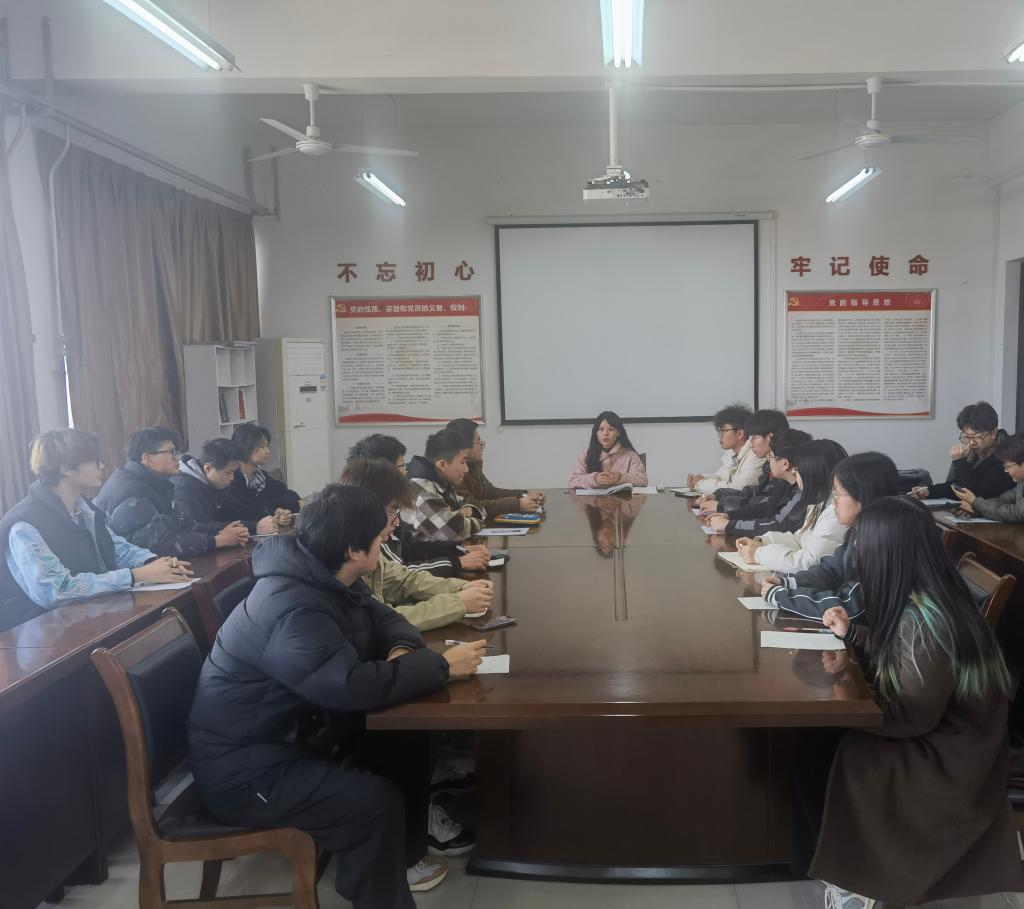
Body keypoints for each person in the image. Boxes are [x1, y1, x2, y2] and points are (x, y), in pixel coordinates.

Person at [188, 485, 488, 908]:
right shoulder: (292, 606)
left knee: (407, 740)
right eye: (380, 537)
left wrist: (400, 653)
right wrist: (440, 666)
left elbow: (386, 619)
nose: (386, 541)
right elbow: (347, 686)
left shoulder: (327, 574)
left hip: (296, 737)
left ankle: (397, 866)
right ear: (352, 549)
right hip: (246, 772)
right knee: (373, 803)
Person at [800, 496, 1023, 906]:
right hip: (955, 732)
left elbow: (910, 717)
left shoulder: (927, 619)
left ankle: (858, 879)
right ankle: (844, 865)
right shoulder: (926, 596)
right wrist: (853, 636)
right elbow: (903, 659)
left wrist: (843, 705)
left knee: (828, 746)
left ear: (886, 554)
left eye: (861, 545)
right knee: (816, 742)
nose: (855, 554)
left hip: (952, 752)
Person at [0, 429, 192, 632]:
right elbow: (55, 591)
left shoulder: (84, 508)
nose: (102, 466)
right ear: (66, 468)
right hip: (40, 634)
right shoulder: (25, 524)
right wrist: (135, 575)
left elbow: (117, 548)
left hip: (89, 618)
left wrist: (153, 563)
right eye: (94, 461)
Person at [340, 458, 495, 632]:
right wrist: (458, 602)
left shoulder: (361, 541)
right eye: (392, 512)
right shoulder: (348, 556)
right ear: (369, 508)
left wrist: (460, 587)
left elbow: (403, 579)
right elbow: (380, 621)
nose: (397, 522)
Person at [761, 452, 900, 622]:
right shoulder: (858, 531)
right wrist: (787, 582)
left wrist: (781, 596)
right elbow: (831, 570)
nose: (834, 501)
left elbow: (848, 606)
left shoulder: (883, 543)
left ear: (863, 496)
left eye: (839, 494)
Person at [347, 434, 491, 576]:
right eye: (402, 466)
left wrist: (457, 550)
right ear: (382, 470)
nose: (406, 472)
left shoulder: (385, 506)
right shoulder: (369, 523)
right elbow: (400, 575)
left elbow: (408, 548)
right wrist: (458, 562)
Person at [94, 427, 249, 557]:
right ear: (147, 458)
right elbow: (161, 544)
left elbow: (184, 525)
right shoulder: (131, 491)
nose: (178, 458)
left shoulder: (157, 483)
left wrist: (223, 531)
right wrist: (217, 541)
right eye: (172, 452)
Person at [736, 439, 848, 572]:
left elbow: (809, 563)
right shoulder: (820, 503)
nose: (794, 471)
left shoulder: (835, 512)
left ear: (813, 474)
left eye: (798, 469)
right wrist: (763, 542)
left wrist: (759, 554)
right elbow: (799, 540)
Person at [702, 427, 810, 536]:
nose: (768, 460)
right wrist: (729, 516)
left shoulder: (802, 492)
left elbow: (778, 525)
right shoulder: (786, 482)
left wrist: (729, 525)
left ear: (785, 464)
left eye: (770, 456)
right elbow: (768, 507)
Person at [911, 401, 1014, 502]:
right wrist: (929, 491)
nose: (971, 442)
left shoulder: (1008, 454)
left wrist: (960, 462)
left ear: (993, 432)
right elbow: (957, 486)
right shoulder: (974, 452)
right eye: (967, 437)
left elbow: (977, 495)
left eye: (977, 436)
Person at [172, 438, 277, 535]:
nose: (232, 478)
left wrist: (271, 514)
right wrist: (255, 528)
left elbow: (236, 509)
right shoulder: (184, 488)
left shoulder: (216, 484)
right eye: (228, 472)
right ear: (208, 468)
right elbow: (198, 528)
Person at [695, 409, 789, 516]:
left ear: (769, 438)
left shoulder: (777, 465)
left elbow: (770, 508)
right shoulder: (768, 465)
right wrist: (718, 496)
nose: (750, 444)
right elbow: (755, 493)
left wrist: (722, 507)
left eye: (754, 438)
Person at [446, 418, 545, 513]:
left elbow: (491, 493)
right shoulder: (454, 471)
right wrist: (516, 504)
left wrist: (524, 494)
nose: (482, 445)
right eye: (478, 441)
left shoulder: (473, 465)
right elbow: (470, 507)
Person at [403, 429, 485, 542]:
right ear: (442, 464)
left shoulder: (441, 482)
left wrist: (465, 513)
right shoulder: (422, 488)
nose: (466, 469)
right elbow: (454, 531)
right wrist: (462, 516)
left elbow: (476, 506)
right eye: (462, 462)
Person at [227, 424, 302, 529]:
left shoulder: (259, 475)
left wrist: (279, 511)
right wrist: (274, 509)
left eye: (267, 446)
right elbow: (248, 511)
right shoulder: (231, 478)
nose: (268, 451)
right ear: (246, 447)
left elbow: (288, 494)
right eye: (262, 447)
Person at [687, 403, 765, 495]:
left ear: (740, 433)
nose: (720, 436)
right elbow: (720, 476)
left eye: (724, 431)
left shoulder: (756, 455)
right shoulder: (732, 453)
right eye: (719, 431)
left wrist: (701, 483)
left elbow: (738, 489)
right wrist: (700, 478)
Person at [951, 431, 1024, 522]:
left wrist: (974, 501)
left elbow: (1015, 513)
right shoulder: (1021, 483)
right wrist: (976, 507)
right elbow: (1002, 500)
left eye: (1007, 467)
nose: (1006, 471)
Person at [568, 411, 647, 490]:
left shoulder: (630, 455)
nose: (605, 433)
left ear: (618, 433)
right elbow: (573, 481)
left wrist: (620, 477)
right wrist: (595, 479)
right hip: (593, 498)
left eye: (611, 429)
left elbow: (642, 480)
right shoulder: (585, 454)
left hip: (622, 498)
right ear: (596, 432)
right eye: (601, 429)